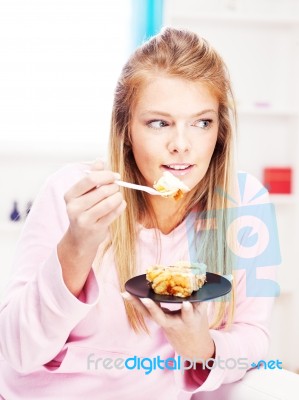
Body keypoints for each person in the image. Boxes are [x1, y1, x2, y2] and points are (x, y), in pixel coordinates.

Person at [0, 27, 279, 399]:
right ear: (126, 129)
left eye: (201, 122)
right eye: (159, 123)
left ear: (220, 131)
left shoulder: (246, 205)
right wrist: (75, 250)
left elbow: (254, 335)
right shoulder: (71, 194)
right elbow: (17, 352)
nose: (181, 145)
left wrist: (203, 349)